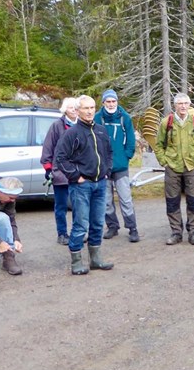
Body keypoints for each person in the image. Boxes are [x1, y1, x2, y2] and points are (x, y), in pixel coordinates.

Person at [54, 95, 114, 275]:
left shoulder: (101, 131)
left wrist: (107, 171)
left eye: (92, 108)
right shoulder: (71, 133)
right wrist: (75, 176)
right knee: (81, 224)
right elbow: (60, 157)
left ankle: (95, 259)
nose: (89, 111)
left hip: (100, 184)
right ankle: (76, 262)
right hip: (81, 186)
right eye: (85, 108)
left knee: (97, 223)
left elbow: (109, 153)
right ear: (78, 110)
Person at [154, 93, 194, 246]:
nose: (183, 106)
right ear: (174, 106)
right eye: (180, 104)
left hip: (191, 166)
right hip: (172, 166)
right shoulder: (166, 122)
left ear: (190, 105)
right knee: (172, 201)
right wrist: (164, 161)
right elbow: (158, 145)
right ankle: (176, 232)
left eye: (185, 103)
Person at [94, 89, 139, 243]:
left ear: (117, 102)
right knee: (106, 200)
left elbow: (131, 140)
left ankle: (132, 228)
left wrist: (127, 156)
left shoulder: (124, 118)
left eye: (114, 101)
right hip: (103, 167)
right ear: (104, 103)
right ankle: (112, 226)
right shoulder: (97, 118)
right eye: (108, 101)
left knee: (125, 199)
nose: (111, 104)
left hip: (120, 166)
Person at [40, 97, 79, 245]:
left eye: (76, 108)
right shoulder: (56, 126)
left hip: (78, 173)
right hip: (60, 173)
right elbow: (48, 148)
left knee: (78, 206)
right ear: (65, 110)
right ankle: (62, 234)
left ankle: (78, 232)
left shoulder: (82, 126)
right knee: (61, 206)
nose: (74, 111)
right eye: (71, 108)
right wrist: (48, 169)